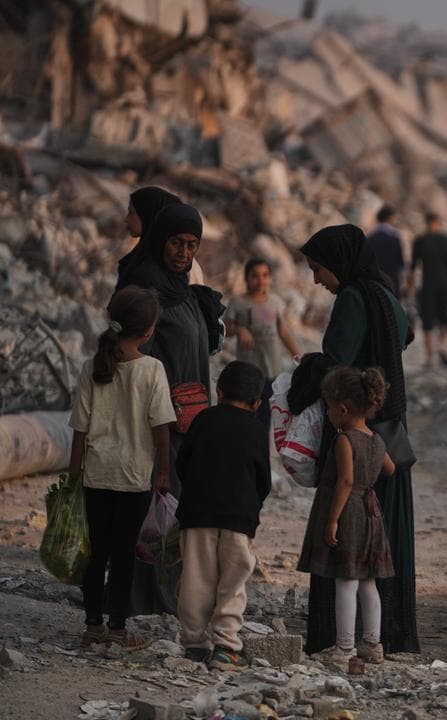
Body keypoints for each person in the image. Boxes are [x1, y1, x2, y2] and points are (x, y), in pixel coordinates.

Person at [299, 224, 418, 654]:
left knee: (346, 539)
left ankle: (340, 640)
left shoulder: (353, 297)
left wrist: (306, 367)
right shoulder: (385, 293)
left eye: (318, 268)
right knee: (380, 542)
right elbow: (404, 336)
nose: (317, 279)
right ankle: (381, 636)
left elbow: (337, 361)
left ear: (339, 262)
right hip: (388, 429)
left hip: (356, 427)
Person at [116, 202, 224, 615]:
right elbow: (137, 358)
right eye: (177, 243)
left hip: (189, 418)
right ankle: (143, 598)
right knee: (153, 504)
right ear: (160, 239)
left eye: (192, 245)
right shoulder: (146, 288)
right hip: (159, 418)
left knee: (176, 505)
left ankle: (167, 595)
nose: (184, 252)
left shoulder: (184, 289)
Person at [68, 286, 174, 651]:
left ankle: (92, 626)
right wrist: (163, 472)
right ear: (147, 331)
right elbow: (162, 429)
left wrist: (73, 475)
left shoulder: (92, 367)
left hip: (95, 474)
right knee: (124, 554)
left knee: (96, 552)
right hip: (133, 477)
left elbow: (79, 431)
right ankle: (117, 629)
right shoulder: (152, 370)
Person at [174, 360, 270, 669]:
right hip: (238, 517)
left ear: (219, 391)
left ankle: (193, 643)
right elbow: (263, 479)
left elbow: (183, 462)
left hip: (197, 513)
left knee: (195, 577)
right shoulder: (256, 429)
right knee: (233, 580)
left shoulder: (203, 419)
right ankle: (226, 645)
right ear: (256, 403)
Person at [298, 366, 395, 668]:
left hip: (350, 512)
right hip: (372, 512)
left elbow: (346, 481)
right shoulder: (376, 439)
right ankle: (373, 644)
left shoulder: (344, 440)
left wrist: (332, 520)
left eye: (328, 407)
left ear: (342, 409)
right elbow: (390, 468)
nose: (327, 413)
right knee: (368, 581)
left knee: (346, 580)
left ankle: (344, 648)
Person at [407, 213, 447, 369]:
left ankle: (430, 358)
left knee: (427, 321)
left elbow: (413, 269)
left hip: (428, 286)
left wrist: (410, 289)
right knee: (443, 319)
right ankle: (441, 347)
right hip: (444, 286)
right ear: (439, 223)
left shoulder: (420, 241)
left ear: (426, 223)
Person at [227, 258, 301, 379]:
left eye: (265, 275)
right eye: (255, 276)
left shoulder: (275, 301)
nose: (260, 280)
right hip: (248, 368)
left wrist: (298, 356)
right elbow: (225, 329)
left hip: (273, 367)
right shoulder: (237, 302)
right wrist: (239, 330)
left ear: (270, 278)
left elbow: (283, 332)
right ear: (246, 278)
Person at [367, 206, 405, 294]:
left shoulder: (371, 237)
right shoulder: (394, 237)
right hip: (391, 279)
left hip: (375, 280)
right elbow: (400, 262)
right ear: (390, 218)